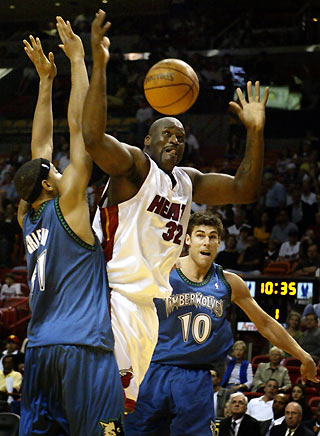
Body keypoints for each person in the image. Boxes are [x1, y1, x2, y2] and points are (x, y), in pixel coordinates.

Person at [82, 9, 270, 406]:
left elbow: (244, 189)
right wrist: (99, 65)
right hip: (112, 297)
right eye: (165, 132)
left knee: (135, 413)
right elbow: (94, 139)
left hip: (155, 309)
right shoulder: (134, 168)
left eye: (181, 135)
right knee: (104, 409)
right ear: (147, 142)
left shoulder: (188, 181)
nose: (174, 139)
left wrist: (254, 131)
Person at [13, 19, 124, 435]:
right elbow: (79, 130)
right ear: (47, 183)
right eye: (54, 172)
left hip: (39, 350)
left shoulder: (27, 217)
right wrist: (78, 61)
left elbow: (39, 149)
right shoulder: (70, 205)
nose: (61, 169)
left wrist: (45, 82)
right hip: (83, 349)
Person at [125, 213, 318, 436]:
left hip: (195, 378)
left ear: (219, 243)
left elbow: (266, 324)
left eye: (212, 236)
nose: (206, 241)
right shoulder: (161, 272)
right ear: (187, 240)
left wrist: (303, 355)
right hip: (153, 370)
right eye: (200, 235)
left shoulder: (229, 282)